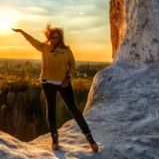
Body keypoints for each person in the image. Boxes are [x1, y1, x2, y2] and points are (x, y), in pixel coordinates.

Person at [12, 24, 99, 152]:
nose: (55, 39)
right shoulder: (44, 48)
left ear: (61, 38)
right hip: (48, 83)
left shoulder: (67, 51)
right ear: (49, 37)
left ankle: (90, 138)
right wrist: (21, 32)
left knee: (74, 109)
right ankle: (54, 138)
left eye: (57, 37)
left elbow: (72, 65)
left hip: (63, 83)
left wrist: (68, 78)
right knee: (51, 110)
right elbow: (32, 41)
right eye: (53, 37)